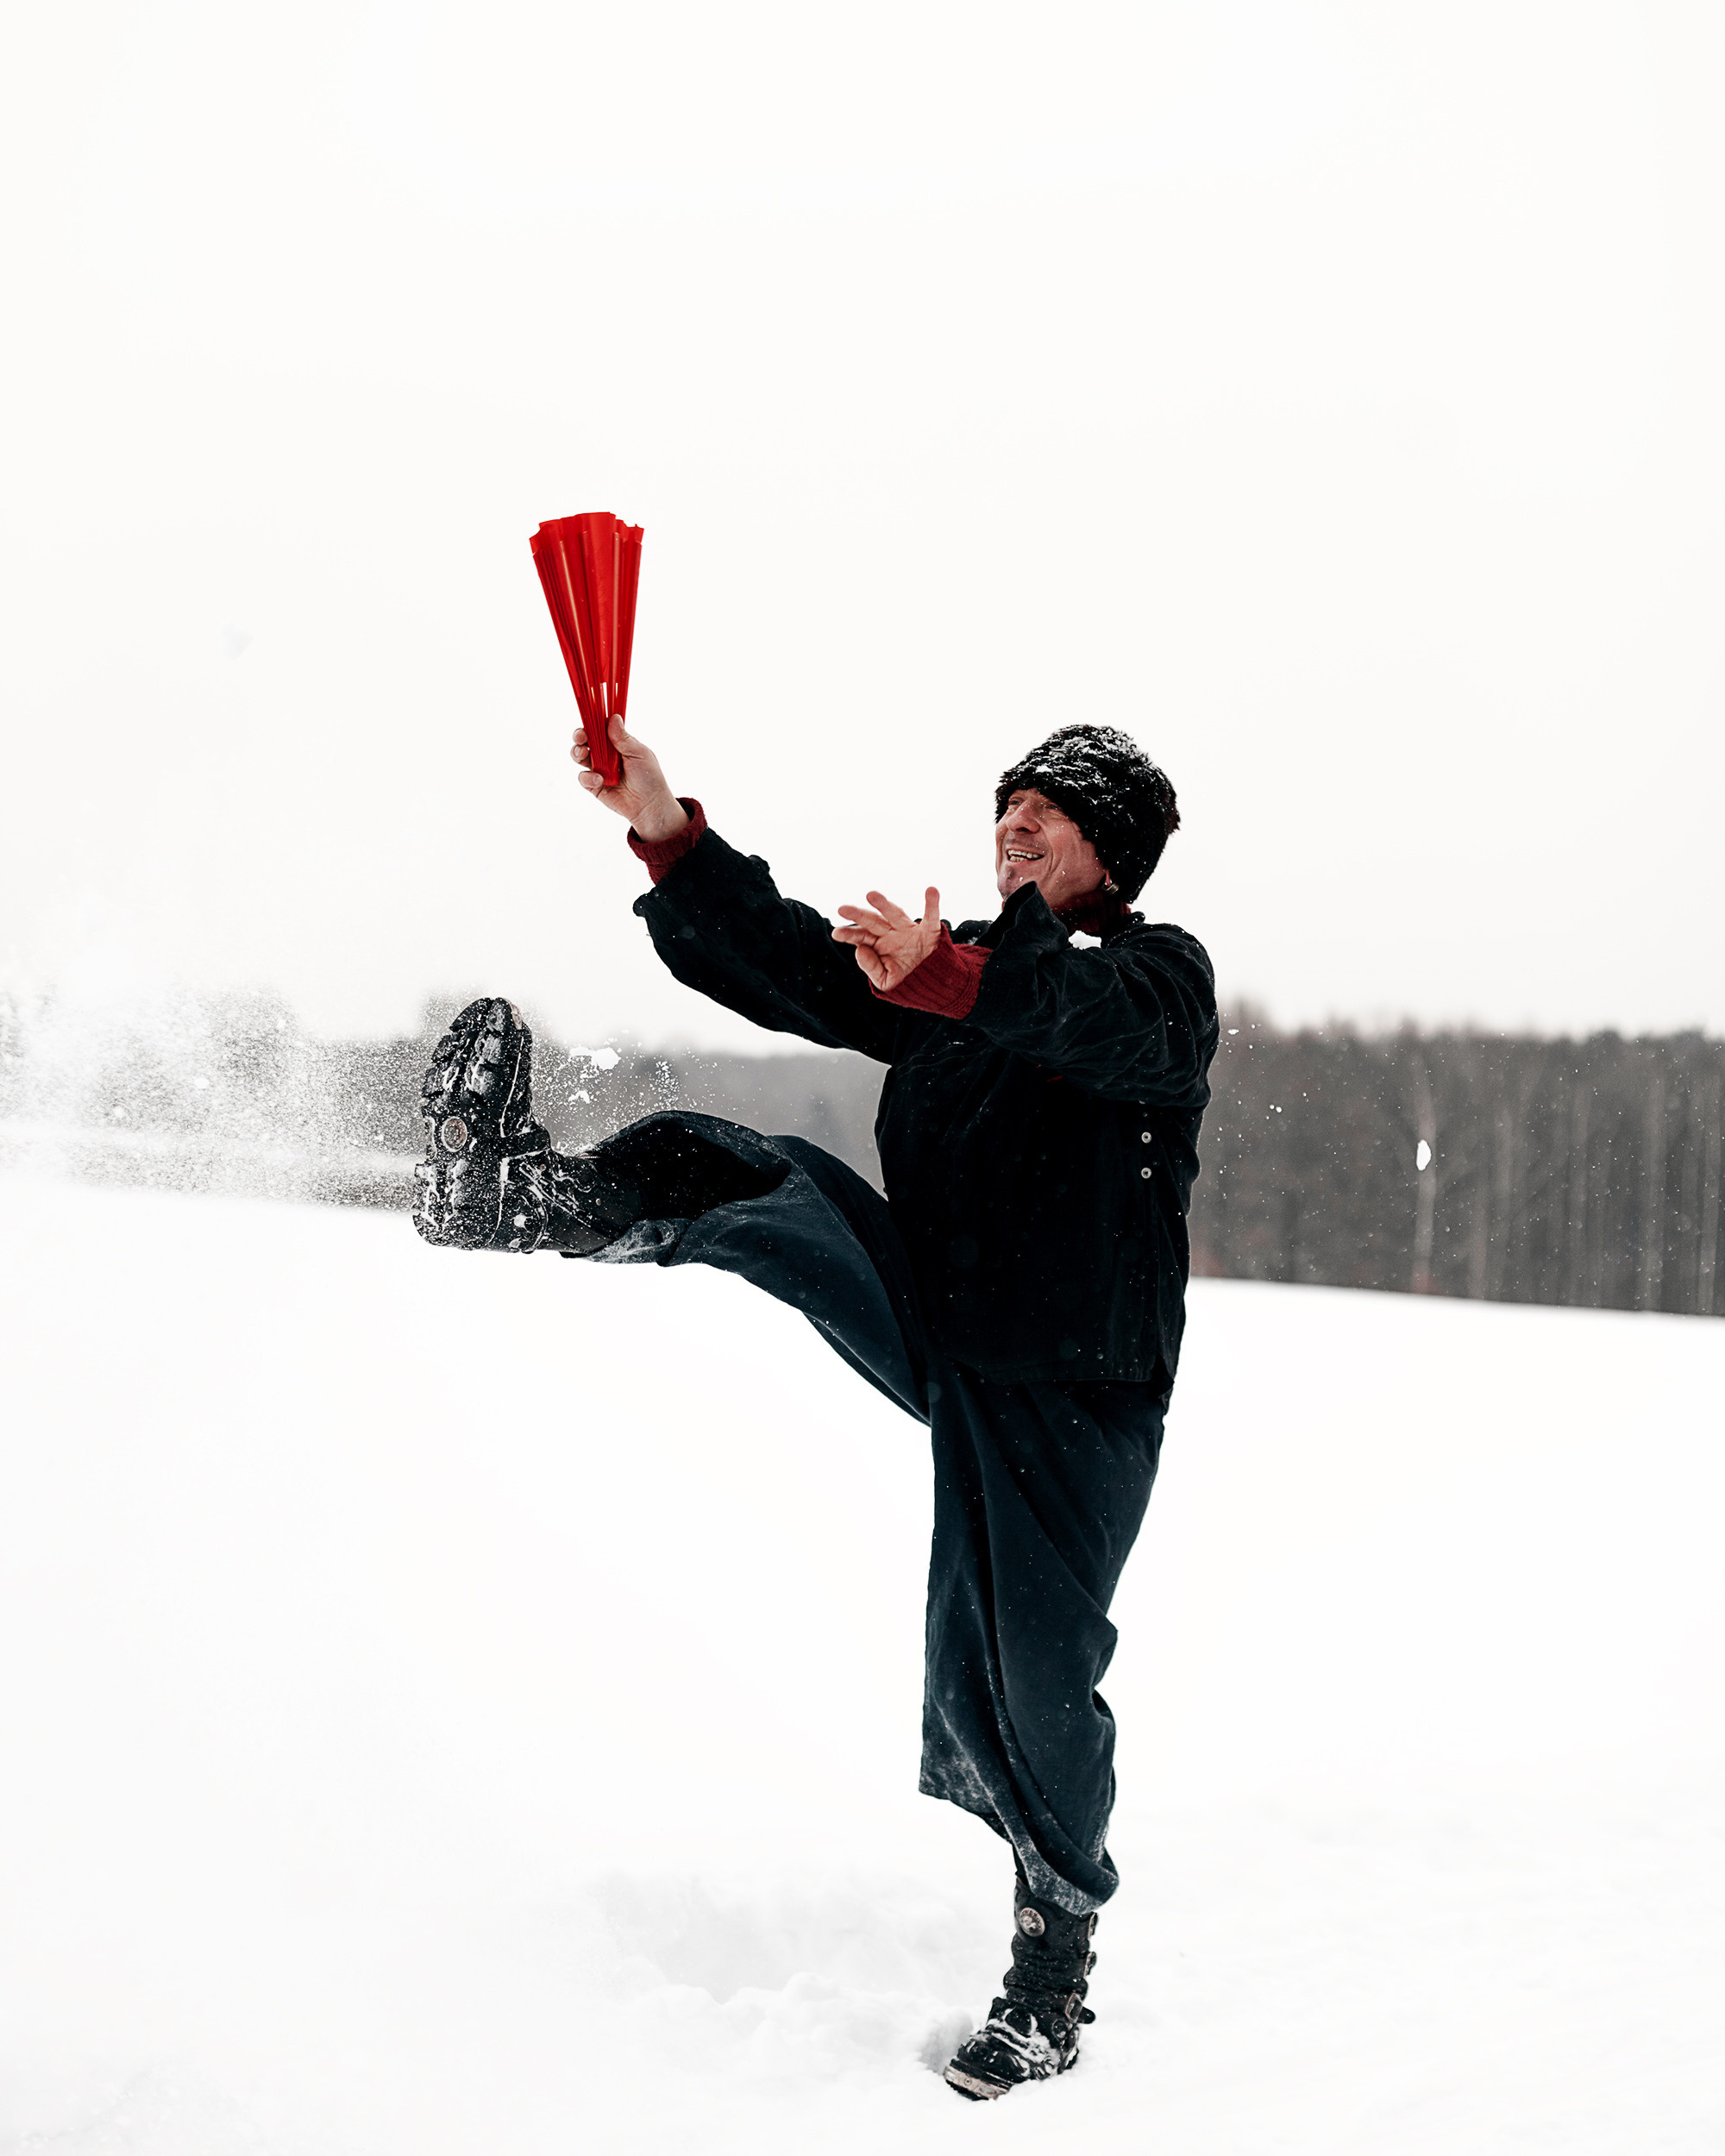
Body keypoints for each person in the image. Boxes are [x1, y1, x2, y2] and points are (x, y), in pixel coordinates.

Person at [412, 714, 1218, 2100]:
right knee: (764, 1180)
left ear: (1114, 850)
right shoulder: (955, 968)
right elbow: (788, 960)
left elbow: (1086, 1023)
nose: (1014, 827)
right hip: (944, 1315)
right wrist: (668, 833)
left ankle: (1053, 1959)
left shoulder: (1156, 976)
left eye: (1050, 813)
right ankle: (527, 1194)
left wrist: (961, 975)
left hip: (1079, 1384)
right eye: (1006, 806)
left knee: (1025, 1675)